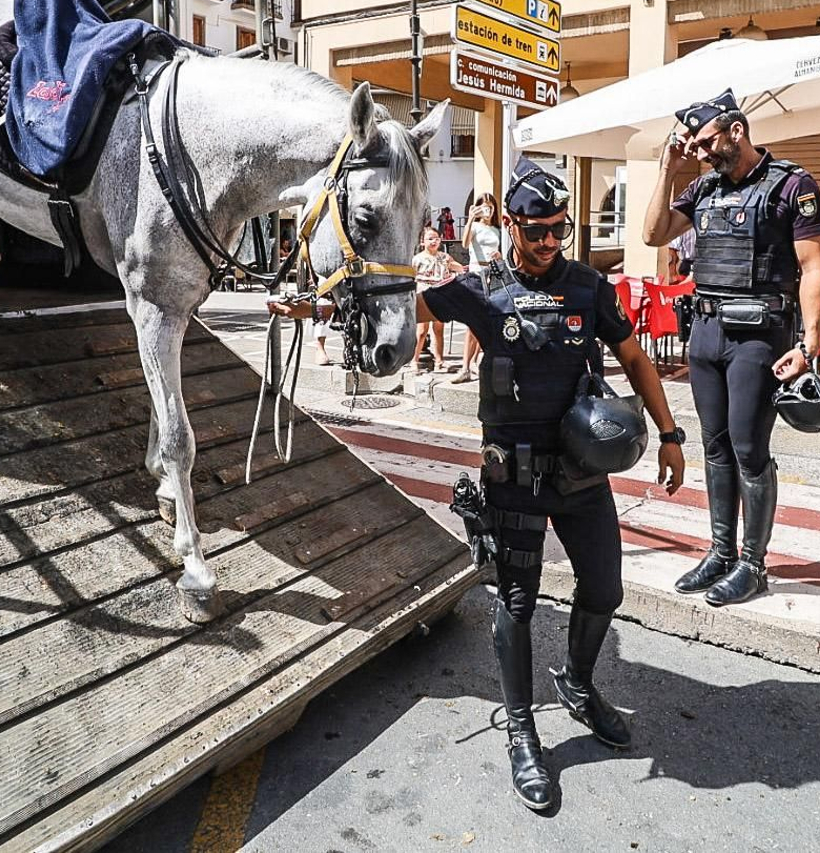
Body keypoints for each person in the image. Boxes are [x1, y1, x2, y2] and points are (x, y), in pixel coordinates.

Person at [273, 159, 686, 811]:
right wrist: (318, 304)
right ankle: (521, 727)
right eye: (537, 229)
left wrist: (669, 433)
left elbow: (633, 356)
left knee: (604, 588)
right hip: (512, 478)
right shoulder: (479, 288)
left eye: (559, 229)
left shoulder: (585, 288)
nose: (550, 241)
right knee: (517, 603)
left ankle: (577, 684)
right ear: (513, 224)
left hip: (581, 474)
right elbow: (401, 302)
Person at [642, 88, 820, 606]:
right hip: (706, 334)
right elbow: (653, 233)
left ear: (736, 130)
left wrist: (810, 343)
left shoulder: (792, 185)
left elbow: (813, 265)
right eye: (694, 146)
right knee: (716, 446)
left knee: (749, 449)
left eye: (705, 143)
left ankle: (753, 563)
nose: (699, 153)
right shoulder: (701, 188)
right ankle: (721, 553)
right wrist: (666, 169)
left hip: (759, 337)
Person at [454, 193, 501, 383]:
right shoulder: (474, 226)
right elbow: (465, 244)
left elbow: (501, 250)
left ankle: (473, 362)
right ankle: (465, 366)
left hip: (492, 273)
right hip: (475, 272)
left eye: (490, 206)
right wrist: (471, 218)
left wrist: (499, 255)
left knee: (484, 321)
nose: (488, 210)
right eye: (484, 206)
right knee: (472, 323)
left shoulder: (497, 229)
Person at [411, 225, 465, 373]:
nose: (433, 241)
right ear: (423, 242)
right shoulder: (417, 259)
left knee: (439, 329)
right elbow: (411, 277)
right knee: (422, 330)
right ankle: (414, 360)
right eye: (430, 238)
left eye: (436, 238)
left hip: (441, 294)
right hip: (423, 295)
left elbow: (458, 268)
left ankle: (439, 360)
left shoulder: (444, 257)